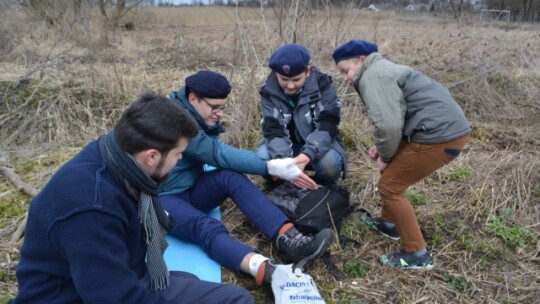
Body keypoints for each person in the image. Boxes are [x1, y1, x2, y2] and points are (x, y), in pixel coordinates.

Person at [9, 92, 254, 303]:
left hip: (118, 276)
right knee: (232, 300)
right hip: (71, 297)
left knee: (207, 288)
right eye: (179, 154)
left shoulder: (114, 153)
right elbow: (115, 298)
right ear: (151, 157)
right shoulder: (92, 209)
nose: (180, 160)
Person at [159, 70, 333, 287]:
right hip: (163, 199)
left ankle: (290, 239)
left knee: (230, 177)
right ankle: (265, 271)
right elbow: (217, 154)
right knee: (205, 227)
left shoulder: (191, 111)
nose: (220, 113)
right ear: (193, 98)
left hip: (189, 189)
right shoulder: (174, 121)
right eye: (215, 107)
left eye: (223, 107)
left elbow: (218, 156)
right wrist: (271, 167)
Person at [332, 39, 471, 270]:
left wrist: (386, 157)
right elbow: (398, 114)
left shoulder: (373, 76)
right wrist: (384, 148)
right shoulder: (381, 70)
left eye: (347, 70)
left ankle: (417, 254)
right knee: (392, 180)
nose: (346, 78)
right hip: (437, 130)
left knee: (390, 187)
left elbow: (388, 126)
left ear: (363, 60)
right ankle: (389, 225)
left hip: (438, 137)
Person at [256, 43, 347, 186]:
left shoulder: (324, 85)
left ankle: (320, 187)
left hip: (319, 146)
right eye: (284, 80)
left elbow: (327, 126)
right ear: (275, 74)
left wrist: (306, 156)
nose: (290, 86)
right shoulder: (268, 91)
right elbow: (273, 131)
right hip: (284, 147)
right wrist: (283, 163)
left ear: (308, 71)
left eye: (296, 79)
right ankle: (280, 186)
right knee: (262, 157)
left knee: (330, 164)